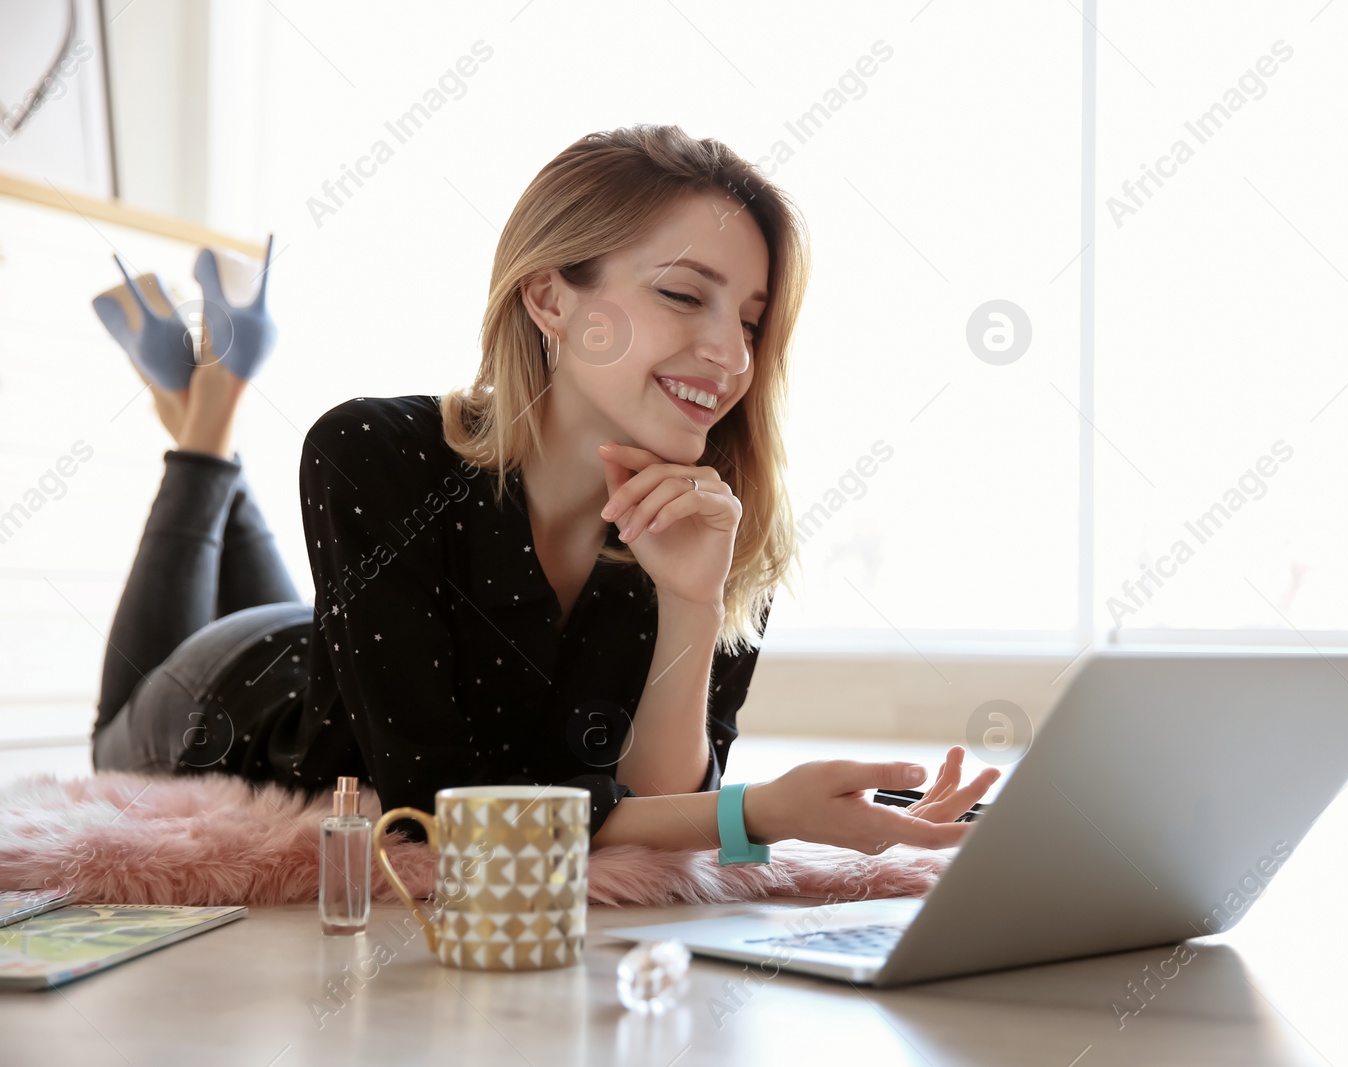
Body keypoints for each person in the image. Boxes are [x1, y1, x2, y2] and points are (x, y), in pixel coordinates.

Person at [90, 123, 998, 856]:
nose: (731, 355)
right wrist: (754, 815)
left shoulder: (717, 519)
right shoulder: (372, 449)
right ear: (549, 299)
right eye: (686, 295)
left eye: (752, 322)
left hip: (340, 640)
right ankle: (206, 430)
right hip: (227, 698)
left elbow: (662, 808)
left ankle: (200, 397)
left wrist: (691, 601)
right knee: (108, 734)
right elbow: (433, 813)